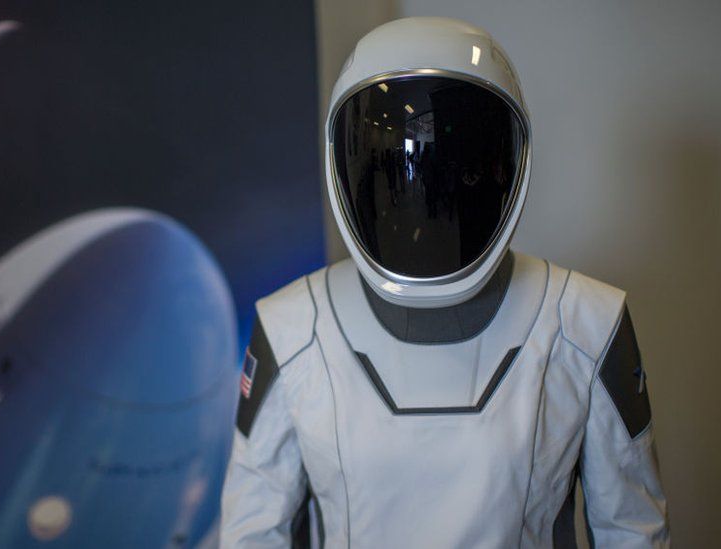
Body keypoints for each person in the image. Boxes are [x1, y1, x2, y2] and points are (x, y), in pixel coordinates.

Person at [220, 17, 669, 548]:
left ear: (505, 165)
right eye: (397, 168)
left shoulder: (586, 325)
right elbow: (255, 534)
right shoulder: (293, 329)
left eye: (459, 168)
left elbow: (631, 531)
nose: (423, 194)